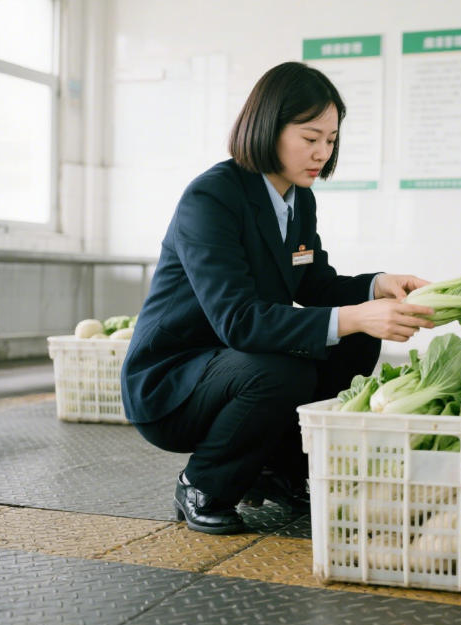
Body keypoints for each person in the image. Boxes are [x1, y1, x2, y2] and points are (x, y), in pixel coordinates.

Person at [121, 62, 435, 534]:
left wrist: (378, 286)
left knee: (355, 341)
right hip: (175, 380)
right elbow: (239, 321)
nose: (322, 153)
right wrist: (356, 315)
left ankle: (280, 469)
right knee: (283, 369)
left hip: (234, 361)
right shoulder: (211, 197)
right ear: (268, 128)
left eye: (331, 140)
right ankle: (202, 484)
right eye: (310, 138)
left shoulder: (297, 198)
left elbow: (313, 284)